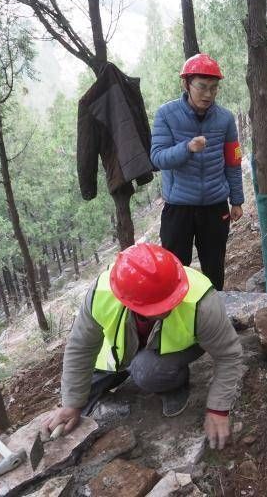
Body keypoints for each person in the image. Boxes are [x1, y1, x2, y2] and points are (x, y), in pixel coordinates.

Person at [42, 243, 244, 450]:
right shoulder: (102, 292)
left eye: (172, 300)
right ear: (130, 303)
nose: (171, 306)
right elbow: (81, 348)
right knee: (83, 393)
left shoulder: (201, 300)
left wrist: (218, 409)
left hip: (176, 350)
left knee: (146, 371)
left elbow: (229, 355)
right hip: (121, 351)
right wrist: (71, 404)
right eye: (160, 306)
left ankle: (176, 382)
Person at [150, 53, 244, 291]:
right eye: (201, 87)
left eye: (214, 88)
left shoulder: (225, 119)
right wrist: (187, 148)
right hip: (179, 207)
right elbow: (157, 158)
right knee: (174, 270)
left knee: (214, 269)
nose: (208, 94)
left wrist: (237, 200)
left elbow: (233, 160)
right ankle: (174, 320)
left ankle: (212, 319)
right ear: (186, 84)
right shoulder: (166, 115)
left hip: (215, 206)